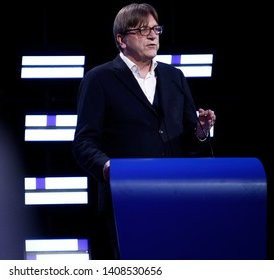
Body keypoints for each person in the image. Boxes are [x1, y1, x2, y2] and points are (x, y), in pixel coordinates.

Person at [72, 2, 216, 260]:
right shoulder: (99, 79)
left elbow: (192, 142)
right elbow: (83, 143)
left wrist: (201, 132)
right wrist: (107, 169)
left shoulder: (175, 77)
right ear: (121, 39)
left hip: (177, 198)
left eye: (155, 29)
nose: (152, 35)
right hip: (127, 201)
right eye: (142, 30)